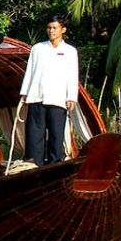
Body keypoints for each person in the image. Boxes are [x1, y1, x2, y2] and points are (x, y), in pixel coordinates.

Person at [19, 15, 79, 165]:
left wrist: (71, 97)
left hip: (58, 99)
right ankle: (33, 165)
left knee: (56, 135)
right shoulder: (38, 48)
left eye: (54, 28)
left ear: (63, 30)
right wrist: (25, 93)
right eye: (49, 28)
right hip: (36, 98)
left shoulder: (70, 51)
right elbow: (30, 71)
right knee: (34, 135)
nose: (51, 31)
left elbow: (73, 75)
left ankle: (54, 165)